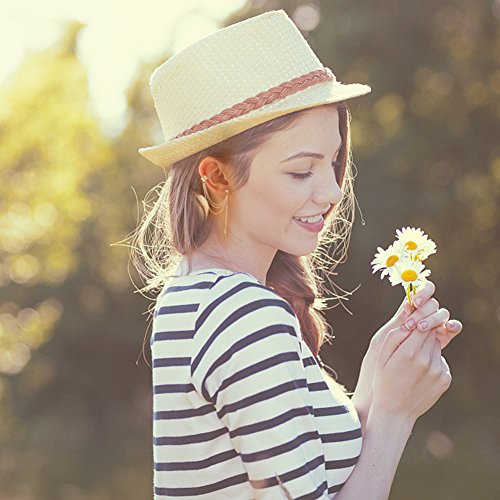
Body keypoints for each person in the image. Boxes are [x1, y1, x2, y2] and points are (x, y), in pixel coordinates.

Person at [132, 9, 463, 499]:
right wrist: (396, 414)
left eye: (332, 162)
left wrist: (378, 375)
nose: (331, 191)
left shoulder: (194, 299)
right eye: (300, 172)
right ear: (217, 178)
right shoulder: (243, 314)